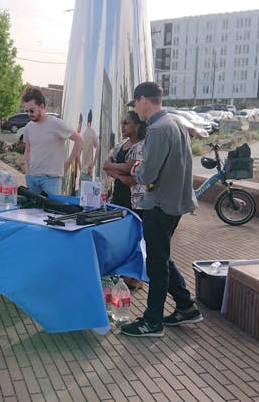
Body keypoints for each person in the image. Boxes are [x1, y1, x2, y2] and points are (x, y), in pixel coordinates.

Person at [120, 82, 202, 337]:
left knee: (156, 263)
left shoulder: (157, 130)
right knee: (161, 255)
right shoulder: (176, 122)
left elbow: (147, 174)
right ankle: (186, 306)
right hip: (176, 203)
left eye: (135, 104)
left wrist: (135, 169)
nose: (137, 111)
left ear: (143, 100)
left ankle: (152, 320)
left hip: (159, 205)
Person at [102, 110, 147, 291]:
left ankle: (135, 277)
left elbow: (132, 169)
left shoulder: (143, 146)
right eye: (122, 123)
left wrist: (123, 169)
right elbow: (106, 165)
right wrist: (122, 176)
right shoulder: (122, 145)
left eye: (126, 123)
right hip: (119, 196)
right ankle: (121, 273)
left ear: (137, 125)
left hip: (136, 200)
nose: (122, 126)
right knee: (121, 238)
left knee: (136, 240)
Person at [22, 87, 84, 195]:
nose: (29, 114)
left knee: (52, 211)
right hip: (32, 179)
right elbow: (28, 150)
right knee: (32, 211)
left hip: (51, 180)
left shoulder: (56, 123)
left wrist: (68, 163)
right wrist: (27, 173)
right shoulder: (28, 127)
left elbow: (79, 140)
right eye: (26, 111)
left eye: (32, 110)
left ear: (42, 106)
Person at [79, 109, 100, 183]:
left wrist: (80, 167)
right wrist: (94, 163)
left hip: (82, 171)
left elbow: (78, 153)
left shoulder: (83, 134)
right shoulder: (92, 132)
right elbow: (98, 147)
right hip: (89, 172)